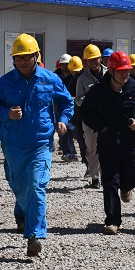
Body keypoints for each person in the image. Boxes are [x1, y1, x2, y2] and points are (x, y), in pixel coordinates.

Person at [0, 33, 74, 258]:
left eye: (27, 57)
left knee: (36, 185)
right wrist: (6, 114)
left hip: (40, 143)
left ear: (36, 56)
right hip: (13, 144)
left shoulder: (49, 79)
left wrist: (63, 120)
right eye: (19, 58)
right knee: (19, 186)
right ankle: (26, 211)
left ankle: (34, 234)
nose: (23, 61)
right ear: (13, 59)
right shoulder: (4, 83)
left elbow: (66, 101)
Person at [79, 51, 135, 235]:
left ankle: (127, 188)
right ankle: (112, 221)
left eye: (127, 70)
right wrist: (101, 126)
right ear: (111, 71)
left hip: (131, 145)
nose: (124, 74)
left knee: (130, 180)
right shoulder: (98, 91)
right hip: (108, 144)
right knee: (110, 182)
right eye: (120, 71)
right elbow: (85, 112)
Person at [75, 44, 107, 188]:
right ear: (86, 62)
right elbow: (78, 100)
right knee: (92, 148)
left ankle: (107, 175)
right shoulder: (82, 79)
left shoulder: (110, 74)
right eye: (90, 60)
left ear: (101, 58)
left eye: (96, 59)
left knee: (108, 147)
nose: (94, 62)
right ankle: (95, 177)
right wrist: (91, 101)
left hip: (107, 117)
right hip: (89, 119)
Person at [54, 54, 76, 160]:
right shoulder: (55, 76)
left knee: (72, 129)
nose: (64, 66)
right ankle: (68, 152)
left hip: (72, 105)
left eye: (67, 64)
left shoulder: (74, 76)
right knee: (63, 129)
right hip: (59, 105)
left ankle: (72, 151)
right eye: (63, 64)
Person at [64, 56, 86, 162]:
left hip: (83, 111)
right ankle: (70, 152)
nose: (75, 73)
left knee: (82, 135)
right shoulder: (67, 80)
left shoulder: (84, 78)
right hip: (72, 110)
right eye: (73, 71)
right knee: (69, 129)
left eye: (77, 71)